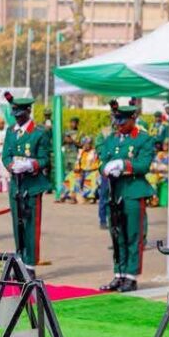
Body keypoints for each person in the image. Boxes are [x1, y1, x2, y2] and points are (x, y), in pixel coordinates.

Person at [98, 103, 154, 292]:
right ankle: (119, 274)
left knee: (133, 235)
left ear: (133, 119)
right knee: (117, 235)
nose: (119, 125)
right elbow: (102, 160)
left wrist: (124, 165)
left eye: (123, 121)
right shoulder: (112, 140)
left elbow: (144, 165)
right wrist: (105, 169)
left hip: (134, 192)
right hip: (115, 193)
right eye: (117, 121)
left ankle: (131, 276)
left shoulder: (143, 139)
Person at [2, 93, 51, 273]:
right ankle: (20, 261)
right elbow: (6, 155)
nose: (17, 117)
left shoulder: (39, 133)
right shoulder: (10, 131)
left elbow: (45, 158)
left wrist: (31, 165)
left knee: (31, 225)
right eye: (15, 114)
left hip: (32, 185)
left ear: (28, 111)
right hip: (16, 185)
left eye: (21, 114)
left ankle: (30, 264)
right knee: (18, 225)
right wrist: (11, 165)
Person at [62, 136, 101, 203]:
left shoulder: (94, 152)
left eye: (87, 144)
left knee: (90, 178)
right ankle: (68, 195)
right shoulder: (81, 152)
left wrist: (89, 169)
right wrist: (77, 169)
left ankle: (88, 196)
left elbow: (96, 164)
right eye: (84, 144)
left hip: (92, 171)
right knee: (71, 176)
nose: (86, 145)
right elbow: (77, 162)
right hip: (82, 171)